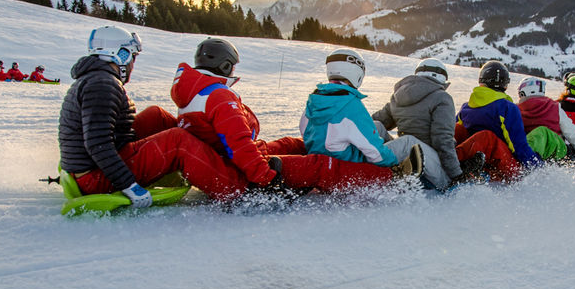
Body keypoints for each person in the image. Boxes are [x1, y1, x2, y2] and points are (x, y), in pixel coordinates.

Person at [171, 39, 417, 194]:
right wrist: (266, 178)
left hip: (229, 160)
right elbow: (238, 145)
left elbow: (304, 131)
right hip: (238, 172)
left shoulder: (195, 94)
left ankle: (288, 158)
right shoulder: (218, 97)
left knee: (293, 144)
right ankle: (393, 177)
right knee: (321, 165)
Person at [59, 25, 255, 207]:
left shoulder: (97, 79)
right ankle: (235, 189)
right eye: (132, 57)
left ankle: (207, 156)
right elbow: (97, 143)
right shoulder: (102, 85)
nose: (133, 64)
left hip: (96, 166)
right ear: (121, 54)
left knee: (156, 115)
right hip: (97, 178)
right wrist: (129, 186)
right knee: (178, 141)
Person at [301, 49, 423, 172]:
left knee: (377, 126)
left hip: (324, 162)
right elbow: (375, 152)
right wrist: (393, 163)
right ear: (356, 73)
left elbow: (305, 133)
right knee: (408, 142)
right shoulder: (351, 106)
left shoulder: (314, 100)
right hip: (350, 167)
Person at [372, 58, 484, 189]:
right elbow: (442, 139)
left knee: (376, 126)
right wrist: (456, 175)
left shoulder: (397, 96)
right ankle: (371, 167)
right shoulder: (442, 98)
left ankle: (369, 163)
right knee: (409, 142)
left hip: (407, 158)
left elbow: (372, 122)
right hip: (431, 169)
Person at [455, 60, 541, 181]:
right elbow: (518, 145)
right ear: (505, 84)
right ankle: (451, 161)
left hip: (484, 162)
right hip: (506, 168)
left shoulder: (467, 107)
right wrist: (536, 166)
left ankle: (447, 159)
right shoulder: (507, 108)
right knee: (482, 136)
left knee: (462, 130)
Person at [516, 77, 575, 164]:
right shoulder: (554, 106)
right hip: (556, 152)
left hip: (529, 151)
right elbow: (572, 134)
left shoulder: (516, 109)